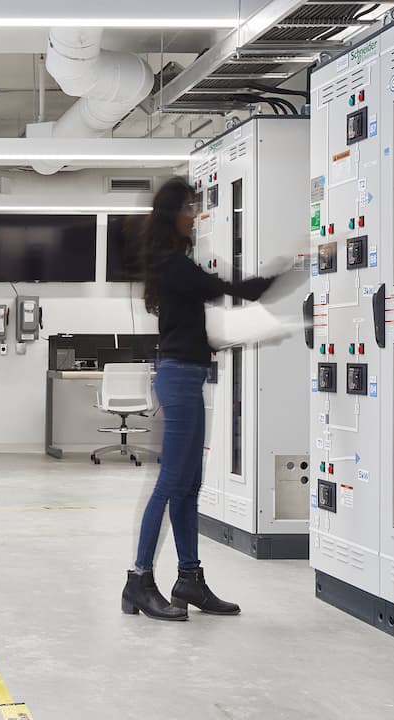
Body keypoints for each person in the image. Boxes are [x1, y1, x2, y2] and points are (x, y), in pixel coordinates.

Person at [120, 178, 294, 621]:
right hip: (179, 381)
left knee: (188, 486)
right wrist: (296, 268)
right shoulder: (175, 266)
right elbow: (246, 292)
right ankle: (138, 578)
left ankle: (189, 579)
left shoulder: (173, 265)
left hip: (188, 376)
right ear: (173, 214)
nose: (195, 215)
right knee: (169, 484)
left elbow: (197, 327)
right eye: (190, 209)